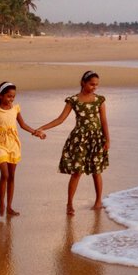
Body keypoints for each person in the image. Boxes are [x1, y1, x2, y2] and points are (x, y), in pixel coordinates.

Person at [38, 70, 110, 215]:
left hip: (96, 139)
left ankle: (98, 201)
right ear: (83, 83)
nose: (94, 87)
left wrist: (107, 139)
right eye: (91, 84)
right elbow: (60, 119)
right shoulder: (73, 100)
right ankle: (69, 204)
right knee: (77, 172)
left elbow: (104, 121)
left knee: (97, 171)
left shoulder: (99, 100)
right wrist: (42, 127)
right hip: (80, 140)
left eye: (96, 85)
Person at [0, 81, 45, 216]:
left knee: (12, 176)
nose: (11, 99)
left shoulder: (15, 109)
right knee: (5, 174)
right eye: (8, 96)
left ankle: (9, 207)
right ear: (0, 96)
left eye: (13, 97)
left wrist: (36, 132)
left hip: (13, 144)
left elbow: (23, 125)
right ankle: (1, 205)